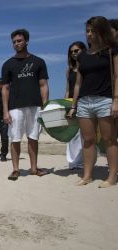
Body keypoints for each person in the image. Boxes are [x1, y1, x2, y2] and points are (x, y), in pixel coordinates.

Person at [68, 16, 118, 188]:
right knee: (88, 140)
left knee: (108, 139)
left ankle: (112, 176)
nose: (88, 34)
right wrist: (73, 105)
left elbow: (117, 76)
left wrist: (116, 100)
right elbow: (77, 83)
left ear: (101, 31)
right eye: (87, 30)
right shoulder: (82, 56)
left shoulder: (111, 51)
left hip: (105, 99)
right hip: (84, 102)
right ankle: (87, 175)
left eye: (92, 31)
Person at [1, 29, 50, 181]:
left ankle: (34, 168)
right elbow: (5, 88)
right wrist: (5, 111)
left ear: (26, 41)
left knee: (33, 138)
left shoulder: (39, 61)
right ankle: (15, 169)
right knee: (15, 139)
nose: (16, 44)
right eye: (14, 42)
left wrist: (45, 106)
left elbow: (43, 85)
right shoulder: (8, 64)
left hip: (35, 106)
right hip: (15, 107)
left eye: (19, 41)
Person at [65, 41, 87, 170]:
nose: (74, 53)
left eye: (76, 50)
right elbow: (68, 89)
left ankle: (83, 161)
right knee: (72, 135)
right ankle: (73, 162)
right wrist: (65, 104)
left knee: (86, 135)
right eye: (71, 52)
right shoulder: (69, 70)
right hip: (72, 103)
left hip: (85, 101)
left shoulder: (88, 67)